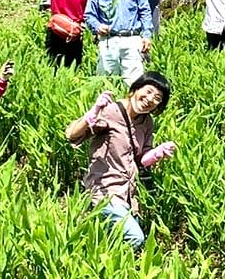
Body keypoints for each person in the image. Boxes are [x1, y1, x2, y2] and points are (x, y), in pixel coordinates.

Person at [64, 72, 176, 252]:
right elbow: (72, 135)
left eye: (157, 98)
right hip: (105, 191)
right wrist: (92, 113)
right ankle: (103, 262)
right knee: (135, 238)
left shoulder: (147, 122)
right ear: (135, 89)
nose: (150, 99)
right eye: (148, 92)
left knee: (116, 238)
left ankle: (97, 253)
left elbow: (141, 159)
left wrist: (157, 153)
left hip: (128, 196)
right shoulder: (111, 111)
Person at [84, 0, 154, 85]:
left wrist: (147, 35)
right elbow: (89, 15)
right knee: (106, 82)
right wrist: (97, 26)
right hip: (109, 41)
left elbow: (144, 11)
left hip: (132, 39)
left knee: (135, 83)